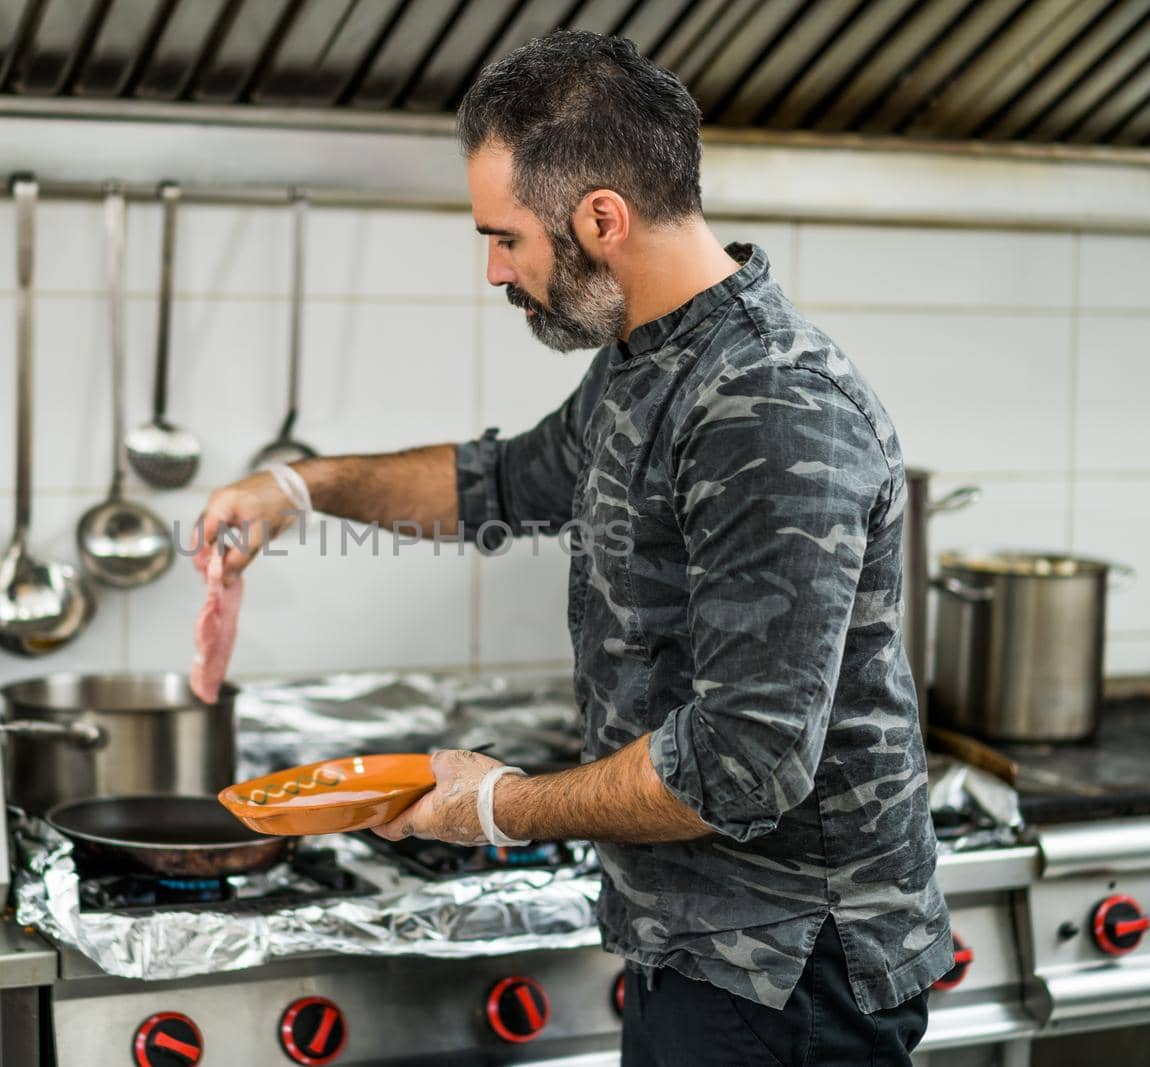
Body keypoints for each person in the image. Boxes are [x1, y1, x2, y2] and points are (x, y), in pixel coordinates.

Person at [194, 30, 951, 1067]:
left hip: (786, 965)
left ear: (601, 218)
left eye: (505, 237)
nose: (494, 270)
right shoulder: (650, 360)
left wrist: (495, 805)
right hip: (698, 941)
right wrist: (298, 486)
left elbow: (745, 763)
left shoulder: (767, 405)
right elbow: (499, 483)